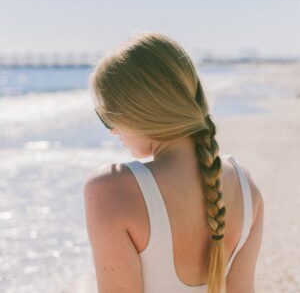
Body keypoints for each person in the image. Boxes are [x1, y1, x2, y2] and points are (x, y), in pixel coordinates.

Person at [83, 32, 264, 293]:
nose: (112, 130)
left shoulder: (111, 189)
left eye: (109, 115)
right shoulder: (246, 187)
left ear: (138, 110)